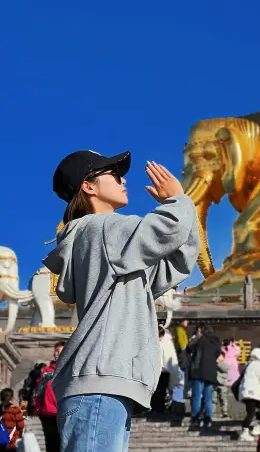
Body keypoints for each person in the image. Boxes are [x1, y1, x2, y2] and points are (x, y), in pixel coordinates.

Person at [43, 153, 199, 452]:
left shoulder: (102, 240)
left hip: (101, 384)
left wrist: (182, 211)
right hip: (100, 382)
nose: (123, 179)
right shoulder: (101, 228)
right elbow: (163, 231)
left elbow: (172, 265)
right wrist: (178, 200)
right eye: (114, 174)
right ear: (89, 186)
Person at [34, 342, 64, 452]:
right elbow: (39, 390)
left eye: (59, 351)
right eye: (55, 351)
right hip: (47, 412)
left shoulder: (68, 370)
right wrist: (38, 407)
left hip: (64, 412)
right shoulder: (47, 371)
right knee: (51, 442)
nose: (56, 354)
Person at [189, 325, 222, 426]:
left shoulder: (201, 340)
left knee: (197, 397)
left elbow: (189, 348)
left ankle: (195, 419)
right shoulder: (217, 342)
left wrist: (197, 338)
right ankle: (208, 419)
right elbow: (217, 354)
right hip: (211, 373)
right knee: (208, 398)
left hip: (199, 372)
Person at [239, 347, 260, 441]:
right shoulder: (256, 364)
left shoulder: (248, 364)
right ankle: (244, 432)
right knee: (251, 412)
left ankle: (258, 425)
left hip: (247, 392)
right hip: (251, 393)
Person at [214, 353, 230, 418]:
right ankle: (212, 411)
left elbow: (224, 369)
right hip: (214, 383)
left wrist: (218, 363)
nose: (218, 358)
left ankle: (225, 412)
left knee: (223, 398)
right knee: (213, 398)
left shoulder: (224, 365)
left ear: (223, 358)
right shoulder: (213, 364)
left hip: (222, 384)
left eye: (219, 356)